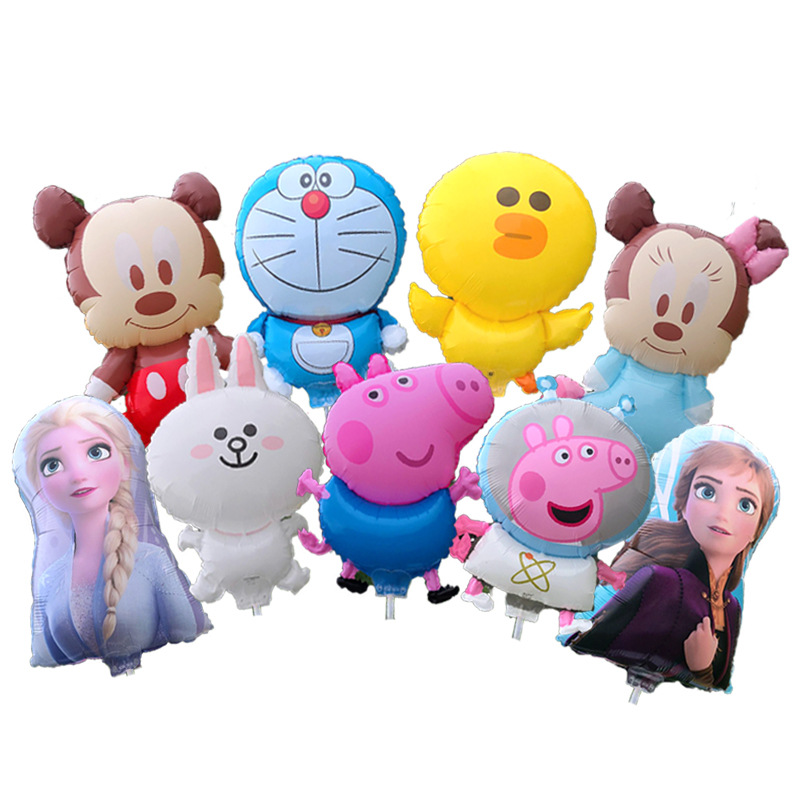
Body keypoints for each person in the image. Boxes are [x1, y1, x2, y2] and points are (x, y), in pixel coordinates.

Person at [15, 397, 209, 675]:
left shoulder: (152, 562)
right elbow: (44, 656)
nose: (78, 474)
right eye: (52, 465)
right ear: (40, 488)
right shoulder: (49, 582)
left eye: (96, 452)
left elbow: (189, 636)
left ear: (125, 465)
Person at [569, 440, 775, 691]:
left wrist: (701, 670)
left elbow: (717, 684)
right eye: (707, 492)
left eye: (745, 505)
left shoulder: (732, 609)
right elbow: (589, 640)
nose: (723, 514)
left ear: (756, 529)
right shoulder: (659, 581)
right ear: (684, 506)